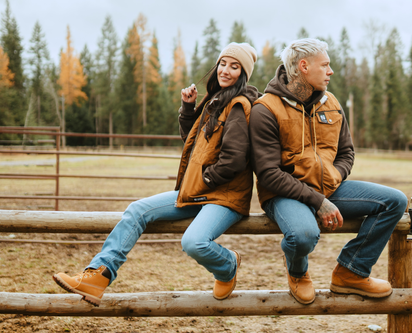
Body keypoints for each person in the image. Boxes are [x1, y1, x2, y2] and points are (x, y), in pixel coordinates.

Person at [53, 42, 260, 306]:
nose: (226, 70)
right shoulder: (214, 101)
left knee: (194, 242)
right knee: (137, 210)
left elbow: (234, 160)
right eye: (223, 63)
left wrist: (205, 180)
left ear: (243, 74)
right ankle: (98, 276)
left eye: (235, 67)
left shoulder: (239, 105)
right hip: (198, 192)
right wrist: (188, 108)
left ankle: (228, 265)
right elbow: (194, 143)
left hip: (223, 197)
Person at [249, 38, 407, 305]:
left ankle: (351, 272)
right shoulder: (265, 109)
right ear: (303, 66)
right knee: (303, 235)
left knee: (395, 201)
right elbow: (268, 173)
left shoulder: (330, 102)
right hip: (285, 194)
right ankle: (298, 272)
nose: (330, 71)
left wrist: (334, 177)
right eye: (325, 65)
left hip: (330, 189)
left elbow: (347, 153)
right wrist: (317, 201)